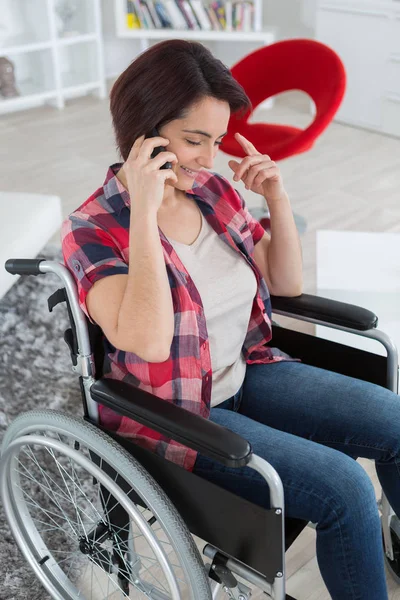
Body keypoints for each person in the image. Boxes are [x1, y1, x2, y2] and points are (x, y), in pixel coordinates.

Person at [62, 39, 400, 600]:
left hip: (248, 371)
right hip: (177, 414)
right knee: (345, 490)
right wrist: (144, 211)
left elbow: (284, 283)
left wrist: (278, 199)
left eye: (215, 141)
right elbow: (144, 339)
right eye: (195, 140)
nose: (208, 158)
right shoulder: (91, 230)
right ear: (143, 135)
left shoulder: (214, 193)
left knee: (395, 421)